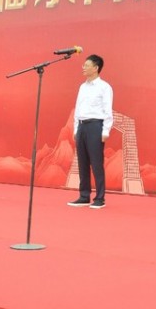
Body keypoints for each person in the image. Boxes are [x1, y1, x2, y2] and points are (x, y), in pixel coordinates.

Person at [68, 54, 114, 209]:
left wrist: (105, 131)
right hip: (82, 126)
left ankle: (100, 198)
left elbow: (108, 110)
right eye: (84, 65)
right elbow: (78, 108)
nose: (83, 68)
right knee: (82, 162)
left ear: (96, 68)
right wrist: (76, 128)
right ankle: (84, 195)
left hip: (96, 126)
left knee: (96, 163)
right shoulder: (82, 87)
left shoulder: (104, 87)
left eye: (87, 65)